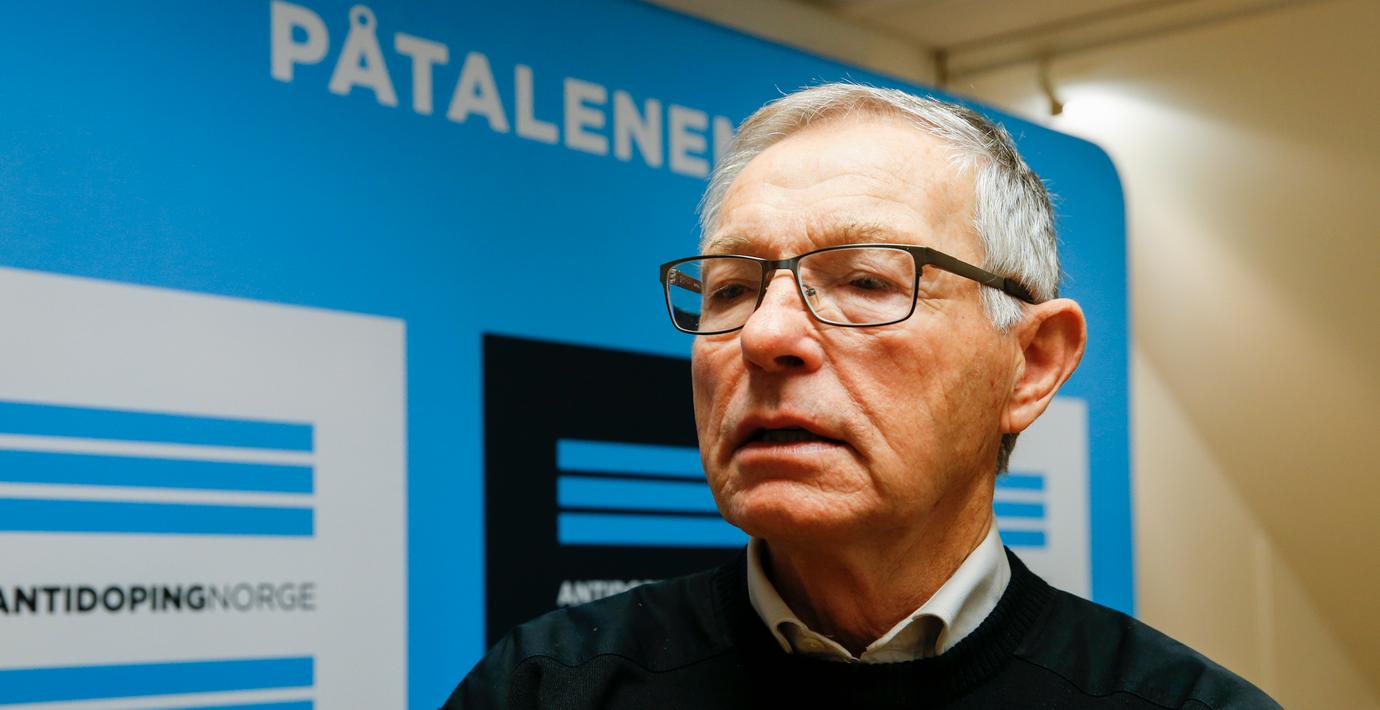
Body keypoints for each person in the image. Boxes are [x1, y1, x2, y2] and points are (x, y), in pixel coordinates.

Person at [442, 83, 1279, 709]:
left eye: (866, 281)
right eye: (730, 288)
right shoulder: (547, 687)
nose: (766, 335)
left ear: (1029, 365)